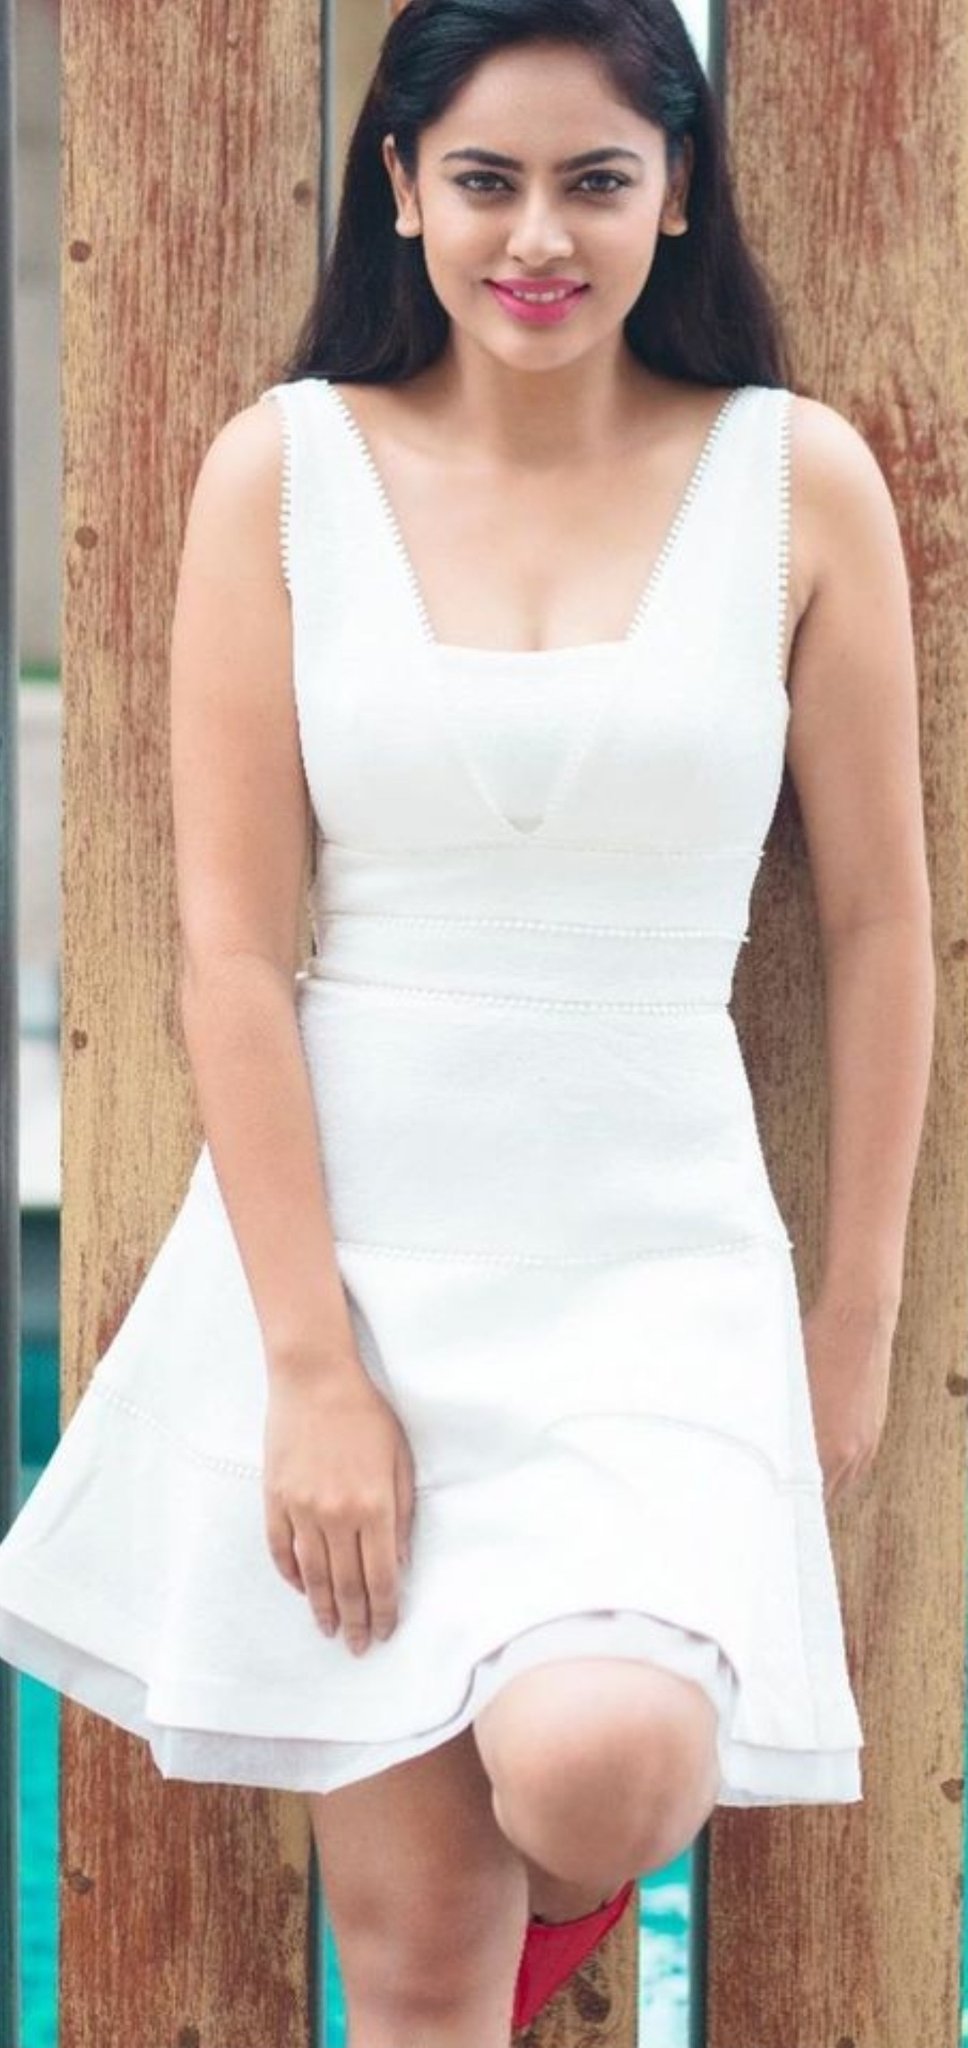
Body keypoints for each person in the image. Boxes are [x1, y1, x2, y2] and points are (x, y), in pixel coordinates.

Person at [0, 1, 935, 2042]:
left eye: (595, 181)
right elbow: (231, 950)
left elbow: (881, 926)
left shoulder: (796, 482)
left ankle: (570, 1901)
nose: (538, 236)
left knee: (610, 1767)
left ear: (676, 194)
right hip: (363, 1266)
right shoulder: (286, 471)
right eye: (486, 179)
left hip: (655, 1271)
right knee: (419, 1972)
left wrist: (849, 1319)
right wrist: (313, 1371)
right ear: (402, 187)